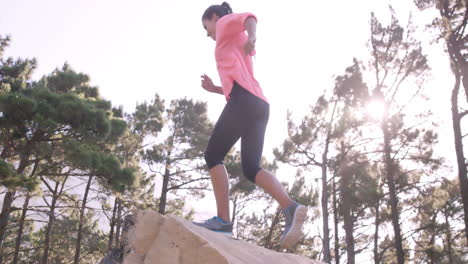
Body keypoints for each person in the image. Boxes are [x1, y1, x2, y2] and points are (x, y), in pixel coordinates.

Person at [194, 2, 307, 249]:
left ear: (214, 17)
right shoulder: (234, 39)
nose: (208, 33)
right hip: (259, 104)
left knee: (213, 155)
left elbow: (249, 16)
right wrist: (214, 88)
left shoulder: (225, 24)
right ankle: (291, 207)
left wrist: (254, 36)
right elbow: (235, 81)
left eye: (207, 27)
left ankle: (223, 220)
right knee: (251, 167)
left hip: (244, 101)